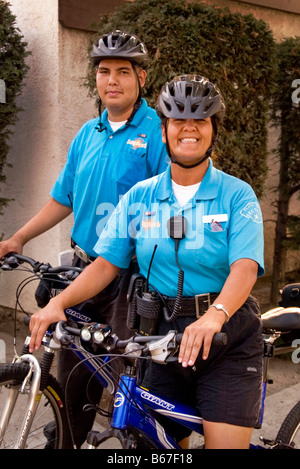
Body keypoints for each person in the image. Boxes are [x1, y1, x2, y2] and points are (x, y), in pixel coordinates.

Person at [27, 74, 264, 449]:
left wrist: (214, 315)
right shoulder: (142, 195)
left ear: (213, 130)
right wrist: (58, 304)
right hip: (161, 335)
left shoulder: (237, 194)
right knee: (160, 448)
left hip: (225, 335)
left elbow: (245, 267)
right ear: (165, 130)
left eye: (200, 121)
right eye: (178, 121)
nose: (189, 129)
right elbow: (105, 264)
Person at [0, 30, 167, 447]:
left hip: (129, 281)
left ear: (140, 78)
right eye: (104, 71)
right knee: (72, 380)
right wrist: (18, 238)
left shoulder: (157, 133)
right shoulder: (88, 133)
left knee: (130, 390)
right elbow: (63, 199)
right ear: (96, 79)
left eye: (123, 72)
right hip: (81, 272)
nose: (112, 80)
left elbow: (172, 206)